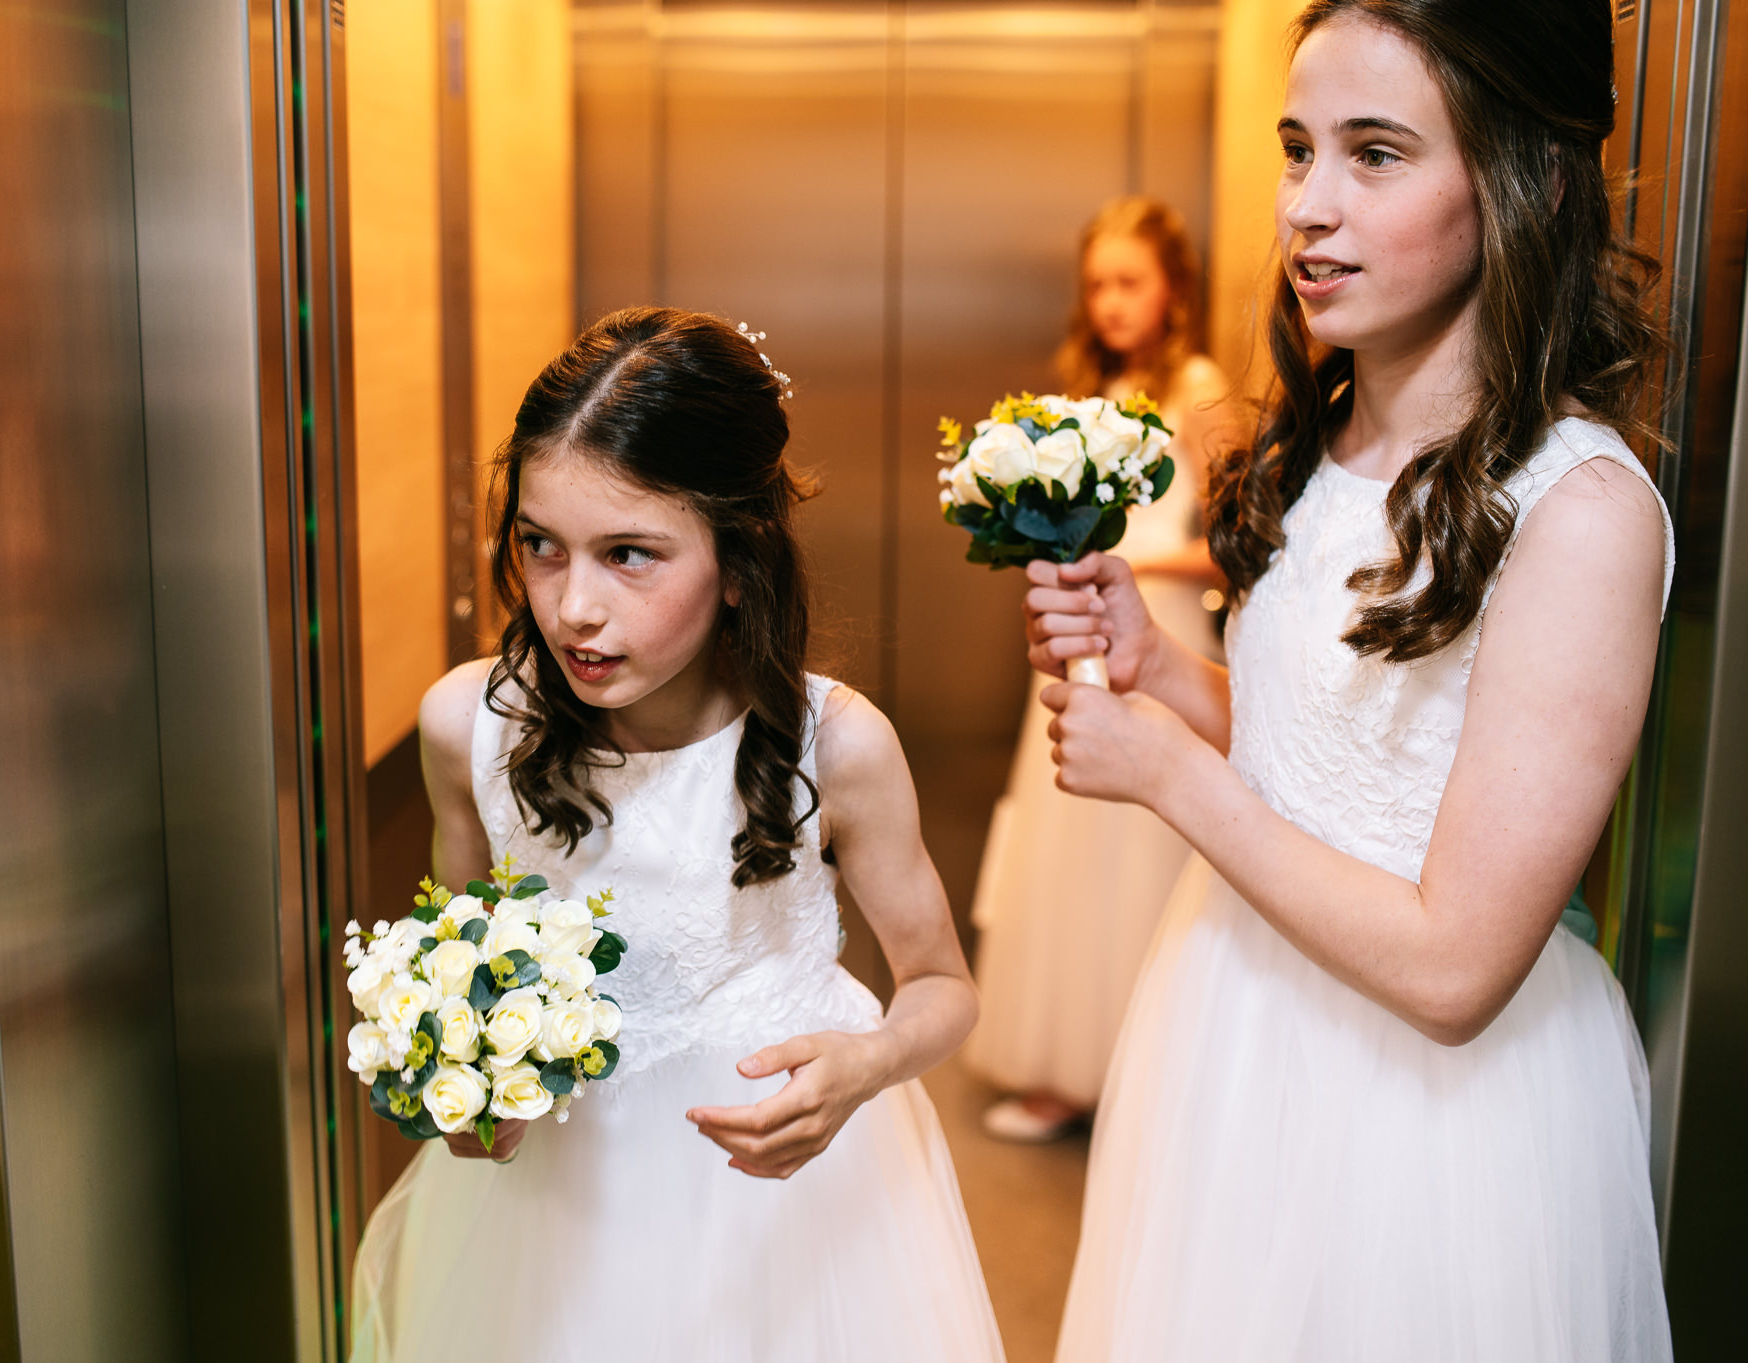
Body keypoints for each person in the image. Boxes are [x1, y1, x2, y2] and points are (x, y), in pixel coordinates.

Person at [1027, 2, 1673, 1357]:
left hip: (1424, 1115)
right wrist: (1166, 675)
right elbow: (1317, 744)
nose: (1310, 208)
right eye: (1298, 149)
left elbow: (1454, 965)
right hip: (1236, 1020)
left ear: (1527, 180)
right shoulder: (1322, 436)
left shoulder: (1581, 509)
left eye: (1377, 154)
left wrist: (1167, 775)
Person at [347, 307, 1005, 1362]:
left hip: (776, 1223)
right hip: (550, 1213)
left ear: (736, 556)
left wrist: (868, 1061)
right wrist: (453, 1078)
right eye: (539, 547)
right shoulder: (464, 725)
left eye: (629, 555)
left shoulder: (833, 748)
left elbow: (944, 987)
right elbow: (459, 956)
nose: (572, 608)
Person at [967, 198, 1236, 1142]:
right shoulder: (1084, 388)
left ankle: (1147, 1071)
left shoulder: (1199, 387)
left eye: (1131, 280)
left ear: (1173, 289)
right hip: (1084, 639)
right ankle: (1067, 1067)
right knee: (1069, 842)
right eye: (1098, 284)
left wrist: (1133, 565)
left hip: (1158, 636)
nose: (1112, 301)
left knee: (1144, 856)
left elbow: (1245, 545)